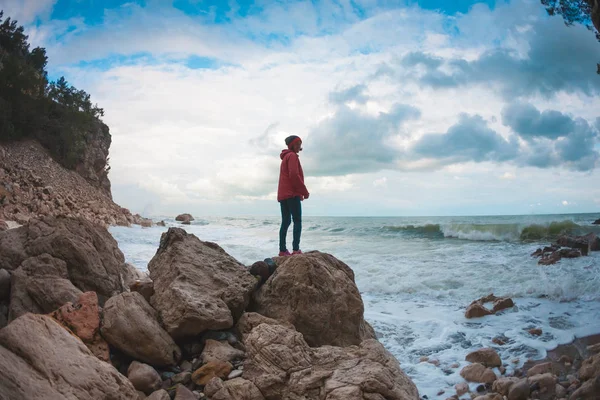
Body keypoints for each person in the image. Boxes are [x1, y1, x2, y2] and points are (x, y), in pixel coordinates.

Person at [277, 135, 309, 256]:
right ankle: (296, 249)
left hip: (283, 194)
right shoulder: (292, 156)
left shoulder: (286, 157)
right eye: (298, 143)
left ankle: (282, 250)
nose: (300, 146)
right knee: (297, 220)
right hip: (291, 194)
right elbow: (294, 176)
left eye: (300, 143)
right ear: (292, 145)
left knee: (285, 221)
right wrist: (304, 191)